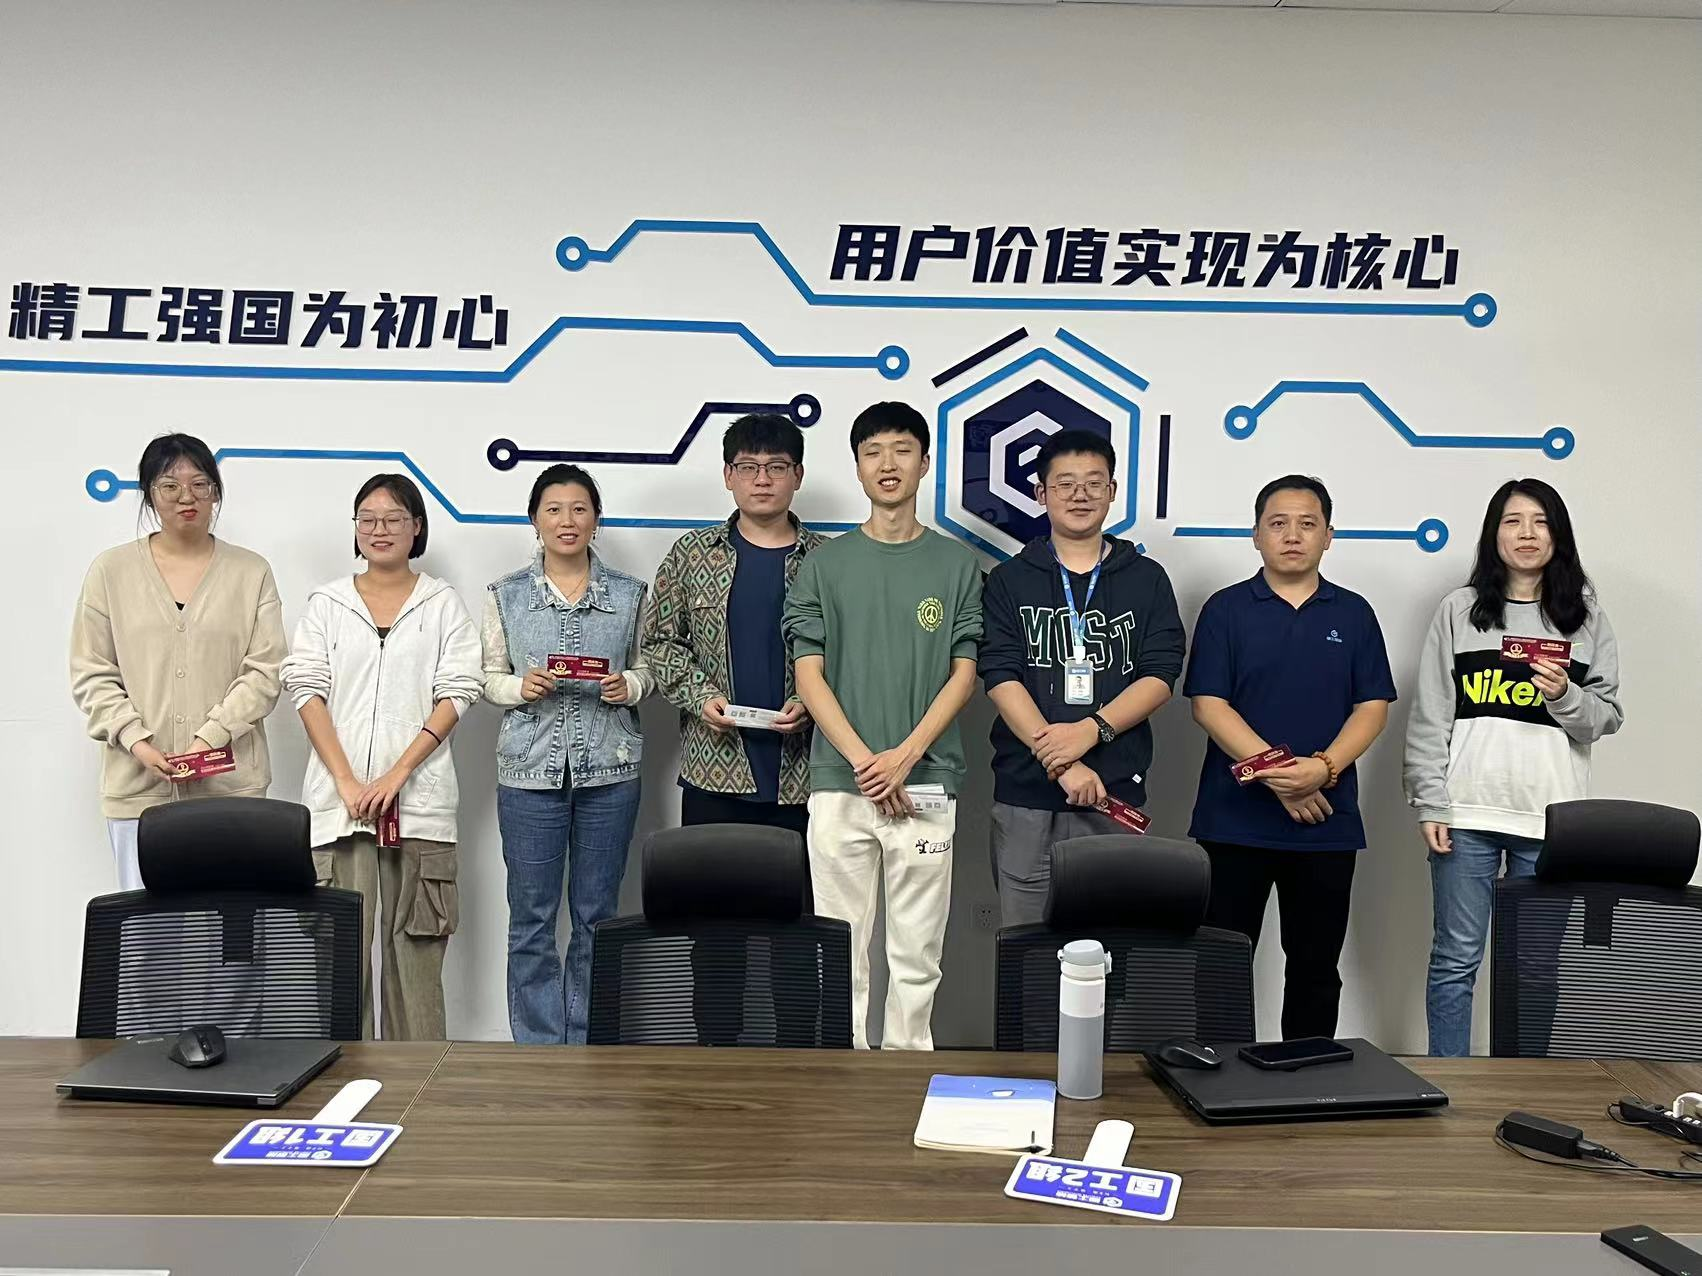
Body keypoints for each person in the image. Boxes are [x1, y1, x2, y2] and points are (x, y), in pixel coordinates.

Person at [783, 402, 982, 1050]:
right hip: (840, 785)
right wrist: (869, 764)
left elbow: (964, 673)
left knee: (917, 957)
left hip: (927, 783)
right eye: (873, 452)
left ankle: (905, 1074)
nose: (887, 464)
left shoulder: (957, 565)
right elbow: (809, 675)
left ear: (925, 464)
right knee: (839, 952)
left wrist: (905, 758)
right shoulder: (824, 565)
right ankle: (843, 1083)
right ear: (858, 466)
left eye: (902, 450)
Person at [1404, 478, 1622, 1056]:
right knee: (1455, 960)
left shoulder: (1585, 618)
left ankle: (1522, 1086)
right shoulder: (1459, 610)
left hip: (1550, 820)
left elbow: (1606, 717)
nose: (1527, 534)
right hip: (1465, 814)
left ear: (1558, 535)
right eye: (1513, 521)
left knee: (1536, 966)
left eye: (1540, 522)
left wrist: (1565, 696)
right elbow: (1431, 714)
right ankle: (1450, 1083)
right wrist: (1429, 801)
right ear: (1493, 533)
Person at [1184, 475, 1395, 1040]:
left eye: (1307, 524)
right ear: (1256, 535)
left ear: (1329, 535)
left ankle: (1307, 1075)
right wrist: (1282, 776)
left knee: (1316, 970)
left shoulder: (1353, 613)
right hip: (1234, 822)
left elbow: (1373, 707)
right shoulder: (1226, 609)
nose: (1292, 536)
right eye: (1278, 524)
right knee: (1221, 968)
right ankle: (1219, 1077)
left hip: (1325, 822)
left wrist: (1321, 771)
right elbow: (1208, 705)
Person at [280, 474, 482, 1040]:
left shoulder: (442, 605)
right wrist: (345, 781)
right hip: (338, 805)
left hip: (420, 805)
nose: (379, 529)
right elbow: (306, 688)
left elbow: (458, 691)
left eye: (394, 518)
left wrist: (398, 773)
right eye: (367, 519)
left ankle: (418, 1082)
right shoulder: (327, 603)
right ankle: (340, 1080)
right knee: (339, 957)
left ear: (417, 526)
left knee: (416, 957)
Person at [980, 429, 1186, 926]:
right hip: (1027, 795)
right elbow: (1000, 675)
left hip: (1113, 794)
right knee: (1025, 948)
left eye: (1094, 483)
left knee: (1107, 949)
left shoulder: (1147, 579)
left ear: (1112, 492)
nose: (1080, 495)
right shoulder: (1009, 580)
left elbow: (1160, 674)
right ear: (1040, 493)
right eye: (1065, 483)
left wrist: (1091, 731)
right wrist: (1062, 762)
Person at [482, 464, 653, 1045]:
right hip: (529, 772)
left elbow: (650, 667)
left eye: (580, 509)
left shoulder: (630, 594)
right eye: (553, 509)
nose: (567, 520)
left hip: (611, 770)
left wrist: (631, 685)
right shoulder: (506, 594)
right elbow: (486, 677)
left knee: (597, 916)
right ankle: (538, 1045)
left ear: (596, 519)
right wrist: (517, 687)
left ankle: (585, 1041)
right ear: (535, 519)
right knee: (531, 918)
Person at [70, 433, 286, 890]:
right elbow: (92, 671)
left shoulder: (252, 572)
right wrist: (137, 741)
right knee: (147, 927)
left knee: (227, 922)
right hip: (138, 787)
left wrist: (209, 738)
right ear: (149, 495)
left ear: (216, 492)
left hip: (230, 785)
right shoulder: (110, 571)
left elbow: (265, 671)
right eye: (170, 486)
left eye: (200, 484)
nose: (186, 497)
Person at [643, 412, 823, 834]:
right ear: (728, 475)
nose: (762, 480)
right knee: (711, 880)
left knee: (798, 880)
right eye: (748, 467)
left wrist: (810, 701)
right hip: (713, 769)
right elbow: (660, 642)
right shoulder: (691, 554)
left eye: (776, 467)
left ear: (797, 475)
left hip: (805, 775)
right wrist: (700, 696)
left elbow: (850, 652)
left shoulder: (827, 560)